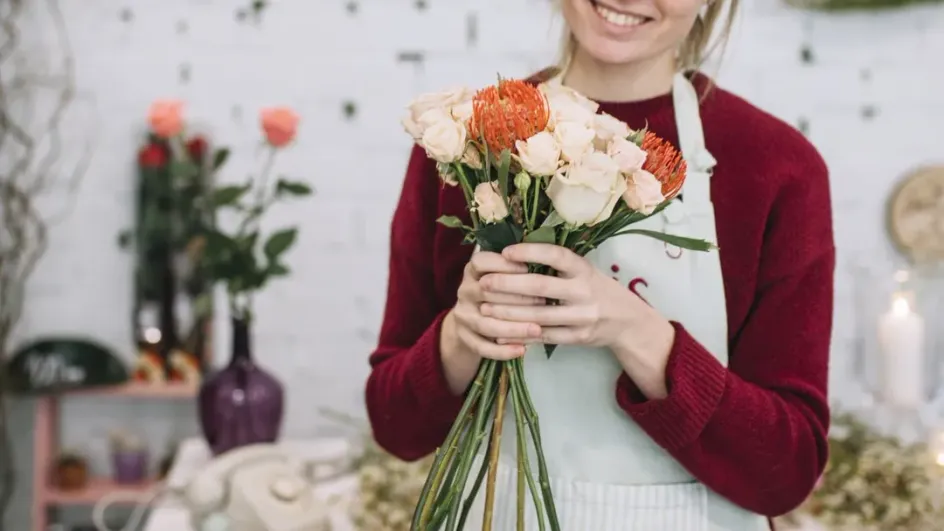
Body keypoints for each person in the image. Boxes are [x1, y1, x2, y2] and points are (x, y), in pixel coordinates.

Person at [365, 0, 834, 529]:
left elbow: (786, 473)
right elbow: (396, 430)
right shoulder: (466, 142)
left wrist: (634, 330)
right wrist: (459, 336)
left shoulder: (777, 167)